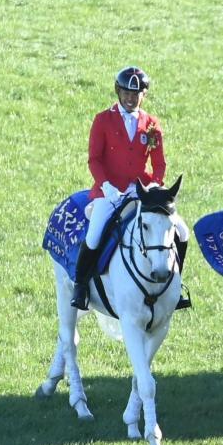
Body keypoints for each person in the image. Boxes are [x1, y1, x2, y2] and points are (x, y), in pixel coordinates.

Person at [72, 66, 191, 310]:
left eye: (136, 94)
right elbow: (94, 159)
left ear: (143, 95)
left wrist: (155, 185)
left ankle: (175, 286)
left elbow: (159, 163)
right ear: (118, 91)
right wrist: (107, 186)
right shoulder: (103, 120)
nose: (130, 98)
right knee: (94, 234)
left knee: (182, 231)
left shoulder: (152, 125)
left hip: (143, 192)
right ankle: (81, 286)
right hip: (110, 191)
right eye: (126, 92)